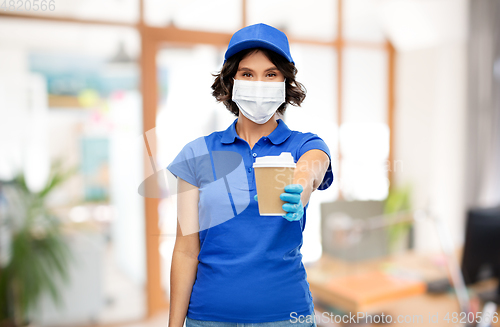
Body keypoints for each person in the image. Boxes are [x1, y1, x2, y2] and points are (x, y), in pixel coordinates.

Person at [167, 23, 334, 327]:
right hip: (208, 318)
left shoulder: (304, 144)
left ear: (285, 82)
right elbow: (186, 252)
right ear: (231, 81)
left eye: (270, 74)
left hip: (286, 317)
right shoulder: (196, 154)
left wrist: (300, 186)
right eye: (247, 74)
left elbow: (313, 167)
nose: (259, 83)